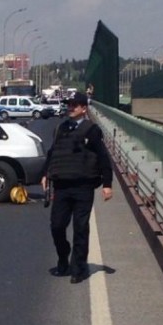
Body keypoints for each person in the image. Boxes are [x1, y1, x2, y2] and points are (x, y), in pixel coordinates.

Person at [41, 92, 113, 283]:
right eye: (69, 104)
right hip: (62, 186)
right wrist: (45, 174)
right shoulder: (60, 129)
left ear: (84, 108)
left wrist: (107, 184)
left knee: (80, 228)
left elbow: (103, 157)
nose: (70, 107)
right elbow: (52, 154)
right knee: (57, 226)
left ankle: (79, 268)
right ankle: (63, 258)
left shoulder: (92, 131)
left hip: (83, 186)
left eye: (75, 104)